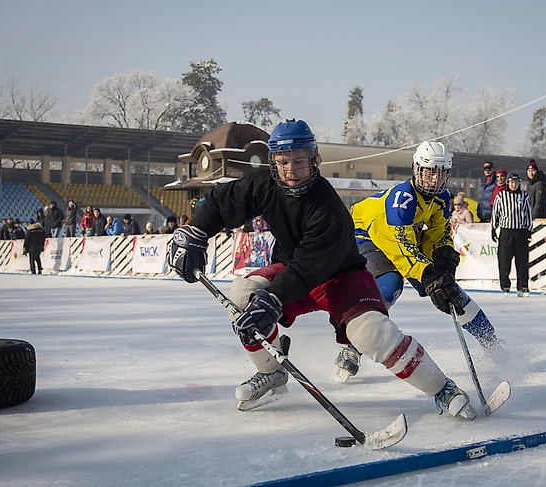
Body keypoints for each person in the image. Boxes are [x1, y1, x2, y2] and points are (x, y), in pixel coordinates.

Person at [168, 119, 477, 420]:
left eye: (299, 162)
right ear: (273, 161)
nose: (290, 171)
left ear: (314, 159)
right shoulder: (263, 185)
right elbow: (223, 202)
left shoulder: (326, 205)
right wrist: (193, 233)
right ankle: (271, 371)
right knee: (242, 294)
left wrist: (274, 299)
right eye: (283, 162)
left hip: (342, 277)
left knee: (373, 336)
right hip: (293, 272)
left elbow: (311, 264)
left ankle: (442, 389)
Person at [335, 141, 504, 382]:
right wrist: (430, 277)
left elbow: (439, 233)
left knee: (450, 291)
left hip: (400, 239)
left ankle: (491, 341)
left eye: (441, 172)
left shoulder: (443, 198)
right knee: (392, 283)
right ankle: (353, 345)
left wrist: (443, 257)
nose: (435, 179)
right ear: (417, 169)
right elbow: (402, 251)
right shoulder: (402, 200)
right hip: (366, 235)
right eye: (429, 171)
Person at [491, 173, 533, 296]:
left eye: (515, 182)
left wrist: (528, 230)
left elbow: (528, 213)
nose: (513, 185)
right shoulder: (501, 196)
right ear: (508, 183)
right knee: (504, 261)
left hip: (520, 232)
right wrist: (493, 228)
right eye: (511, 182)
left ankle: (523, 287)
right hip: (506, 232)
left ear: (519, 183)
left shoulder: (524, 196)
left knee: (522, 262)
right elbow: (496, 213)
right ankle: (505, 286)